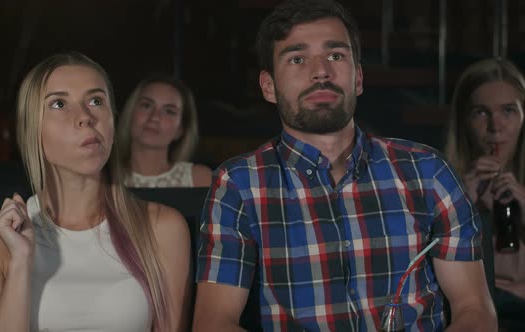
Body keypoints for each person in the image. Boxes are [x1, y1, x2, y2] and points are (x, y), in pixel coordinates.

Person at [193, 0, 497, 331]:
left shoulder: (427, 171)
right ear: (269, 86)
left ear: (359, 78)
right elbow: (214, 323)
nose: (321, 71)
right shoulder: (238, 184)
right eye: (297, 59)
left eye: (335, 55)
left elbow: (474, 309)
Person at [0, 52, 192, 332]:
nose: (85, 117)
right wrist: (21, 263)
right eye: (59, 104)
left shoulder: (161, 228)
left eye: (96, 101)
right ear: (32, 128)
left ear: (113, 121)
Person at [444, 58, 525, 331]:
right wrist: (458, 203)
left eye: (508, 111)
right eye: (481, 113)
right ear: (464, 119)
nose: (495, 126)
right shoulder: (442, 181)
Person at [117, 74, 212, 188]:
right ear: (130, 113)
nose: (154, 117)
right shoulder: (101, 178)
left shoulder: (201, 179)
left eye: (169, 111)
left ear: (181, 129)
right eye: (146, 105)